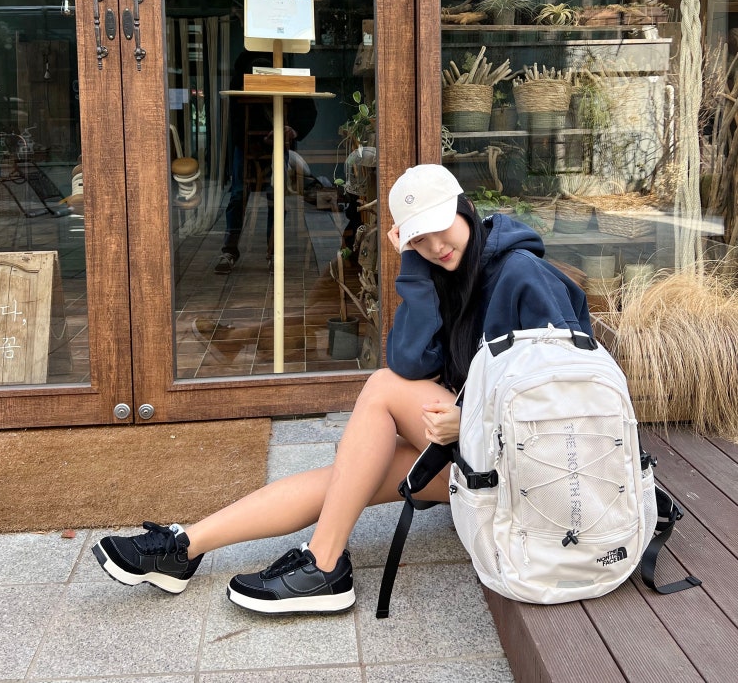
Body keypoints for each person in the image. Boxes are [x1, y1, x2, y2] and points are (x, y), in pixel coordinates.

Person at [92, 163, 592, 614]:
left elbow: (571, 402)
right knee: (348, 479)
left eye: (440, 228)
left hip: (541, 475)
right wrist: (414, 268)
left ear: (464, 209)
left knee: (381, 389)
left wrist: (472, 420)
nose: (435, 246)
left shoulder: (523, 274)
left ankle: (325, 564)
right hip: (491, 462)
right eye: (418, 239)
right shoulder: (446, 272)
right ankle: (184, 547)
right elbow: (410, 361)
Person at [215, 52, 317, 274]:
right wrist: (254, 141)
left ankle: (273, 251)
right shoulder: (241, 73)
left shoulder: (284, 65)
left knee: (276, 195)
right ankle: (229, 250)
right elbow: (236, 117)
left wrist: (293, 129)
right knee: (238, 194)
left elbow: (308, 109)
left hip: (277, 141)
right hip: (247, 142)